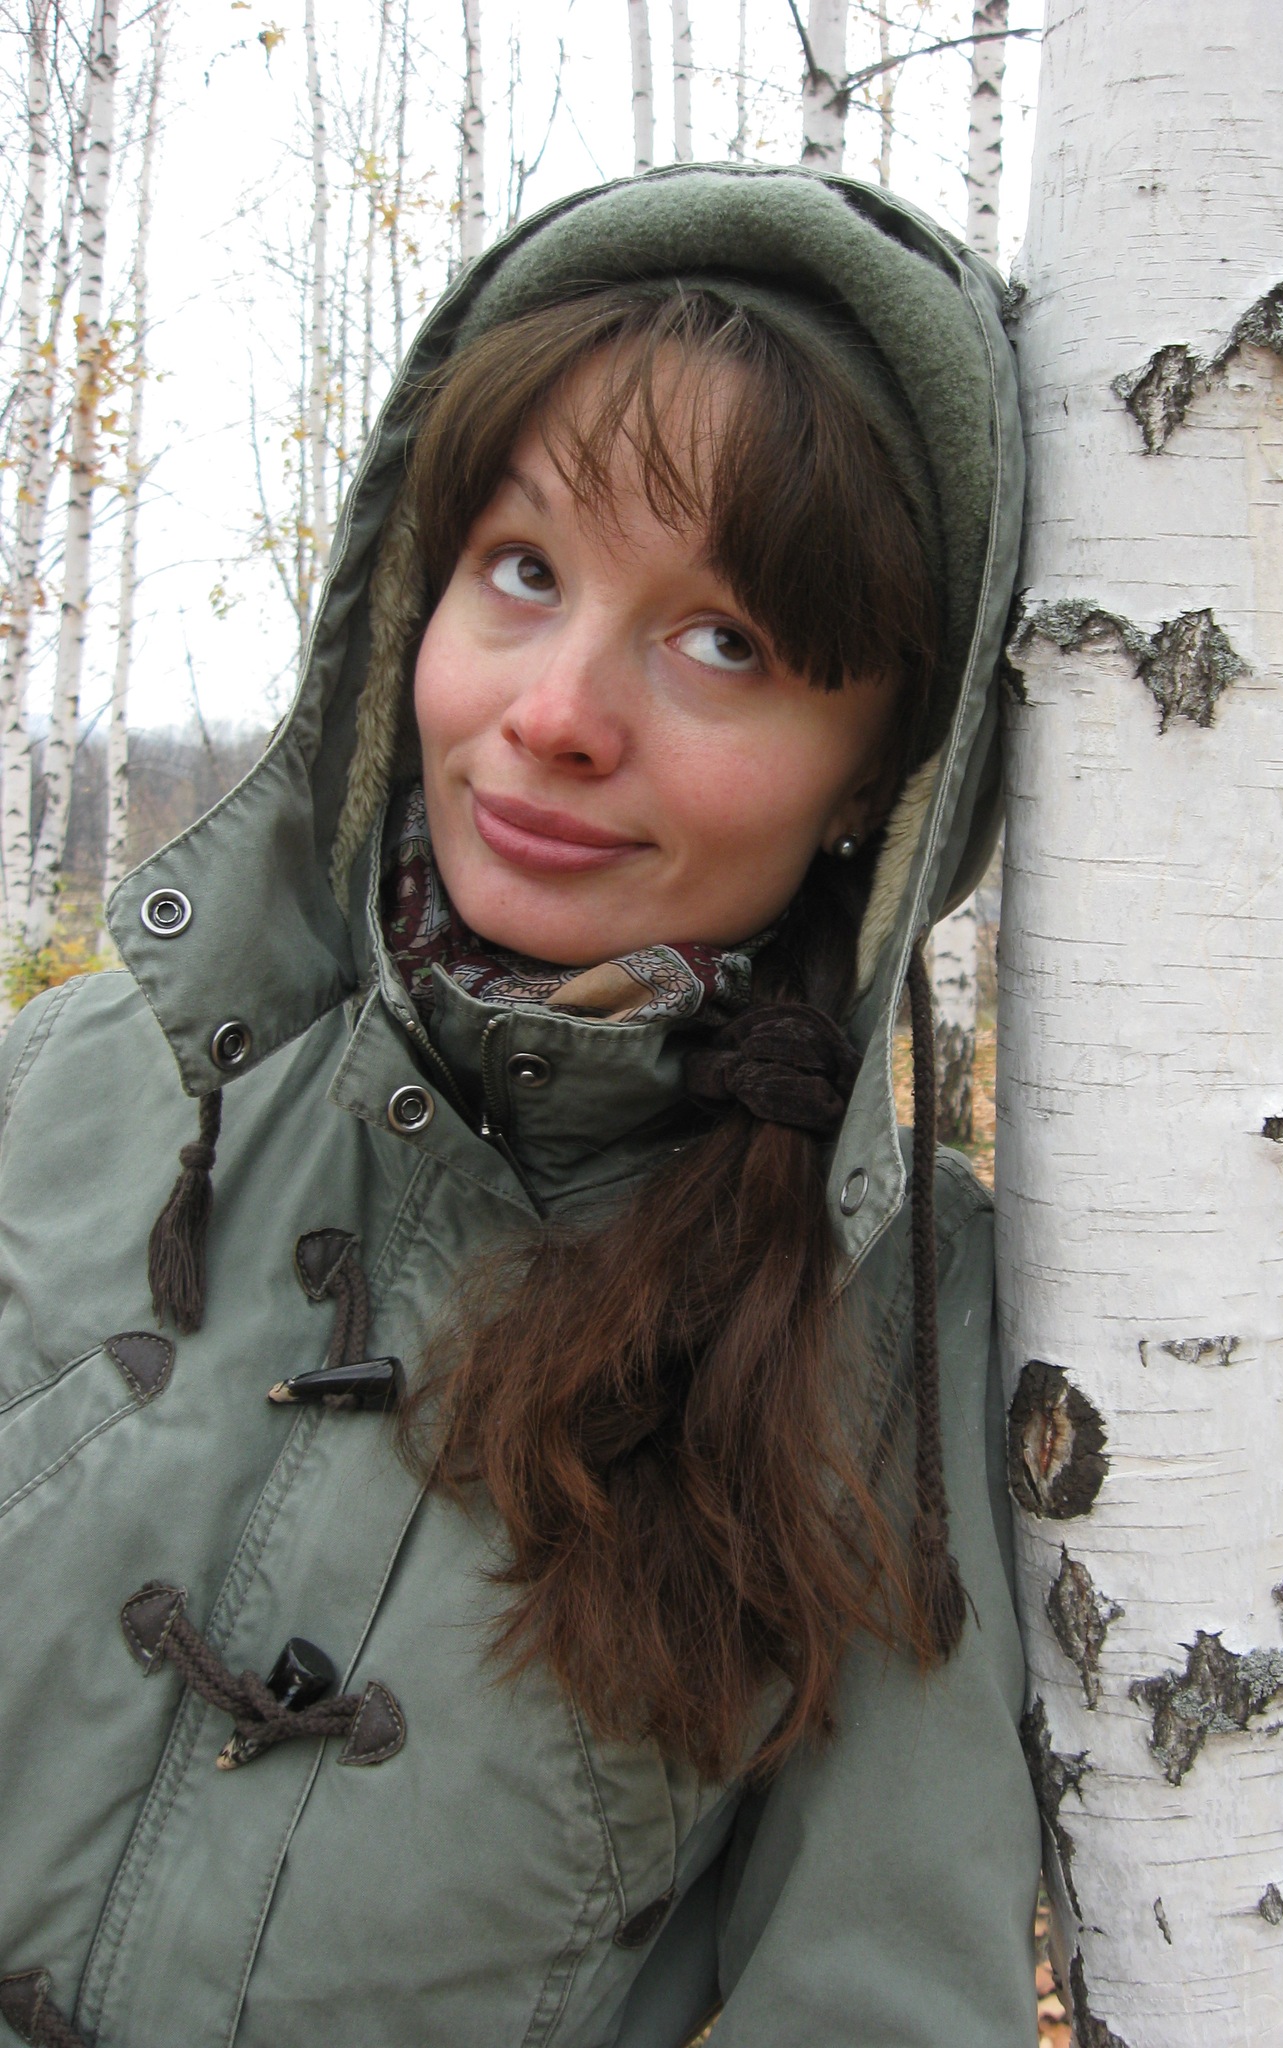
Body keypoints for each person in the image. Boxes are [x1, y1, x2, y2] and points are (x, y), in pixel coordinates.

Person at [0, 166, 1039, 2047]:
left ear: (877, 773)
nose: (556, 712)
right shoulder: (82, 1088)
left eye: (726, 640)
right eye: (525, 570)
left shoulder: (904, 1337)